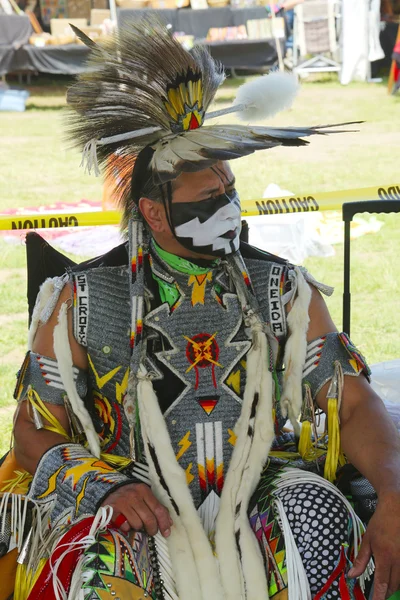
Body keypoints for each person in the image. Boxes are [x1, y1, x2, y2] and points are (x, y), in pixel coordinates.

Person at [1, 16, 400, 600]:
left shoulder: (281, 289)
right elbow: (34, 430)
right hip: (129, 490)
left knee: (318, 520)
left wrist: (393, 492)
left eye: (231, 191)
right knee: (92, 567)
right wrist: (101, 488)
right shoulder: (80, 300)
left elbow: (353, 401)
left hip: (261, 483)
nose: (230, 208)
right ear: (154, 213)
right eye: (210, 198)